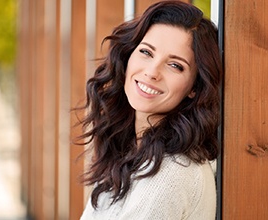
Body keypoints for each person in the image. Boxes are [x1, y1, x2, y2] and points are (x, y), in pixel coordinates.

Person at [75, 1, 222, 219]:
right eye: (146, 52)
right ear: (128, 55)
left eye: (175, 65)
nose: (152, 72)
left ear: (194, 87)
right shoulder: (131, 153)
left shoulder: (172, 173)